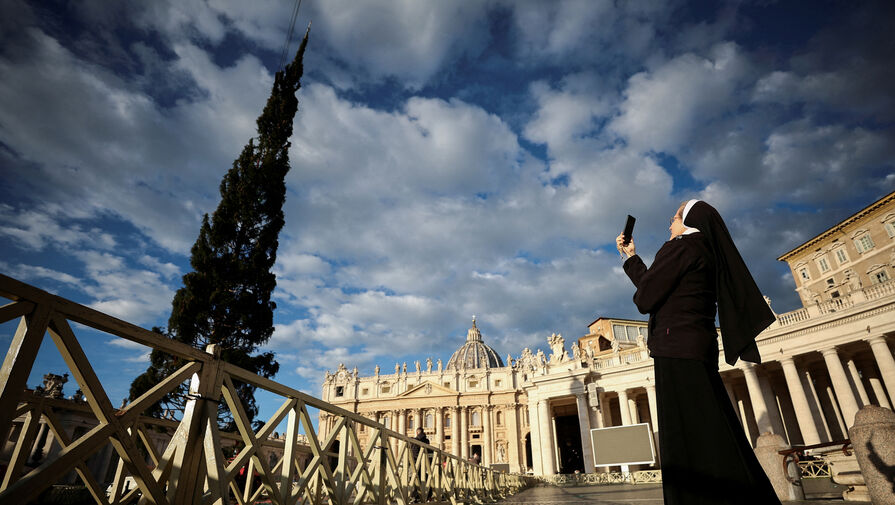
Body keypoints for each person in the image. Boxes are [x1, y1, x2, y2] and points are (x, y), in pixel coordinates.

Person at [616, 200, 780, 505]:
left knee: (685, 436)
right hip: (698, 346)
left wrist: (635, 260)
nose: (670, 222)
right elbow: (657, 288)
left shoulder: (679, 246)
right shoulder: (704, 250)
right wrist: (631, 258)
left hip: (674, 346)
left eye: (674, 217)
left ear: (687, 221)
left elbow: (646, 299)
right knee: (713, 425)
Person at [410, 427, 430, 502]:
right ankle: (424, 496)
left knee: (413, 478)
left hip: (415, 461)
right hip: (424, 462)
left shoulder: (415, 440)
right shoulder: (427, 441)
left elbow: (413, 452)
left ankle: (414, 496)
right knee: (424, 477)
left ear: (417, 432)